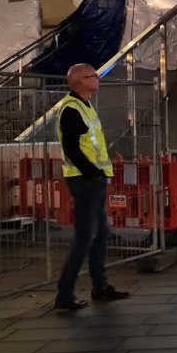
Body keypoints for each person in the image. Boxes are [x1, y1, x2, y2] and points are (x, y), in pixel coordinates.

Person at [54, 63, 129, 310]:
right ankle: (65, 294)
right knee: (85, 237)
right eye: (92, 75)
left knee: (100, 234)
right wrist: (92, 172)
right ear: (79, 81)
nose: (98, 78)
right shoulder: (72, 109)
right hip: (84, 181)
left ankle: (100, 286)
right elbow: (72, 148)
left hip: (92, 181)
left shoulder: (84, 106)